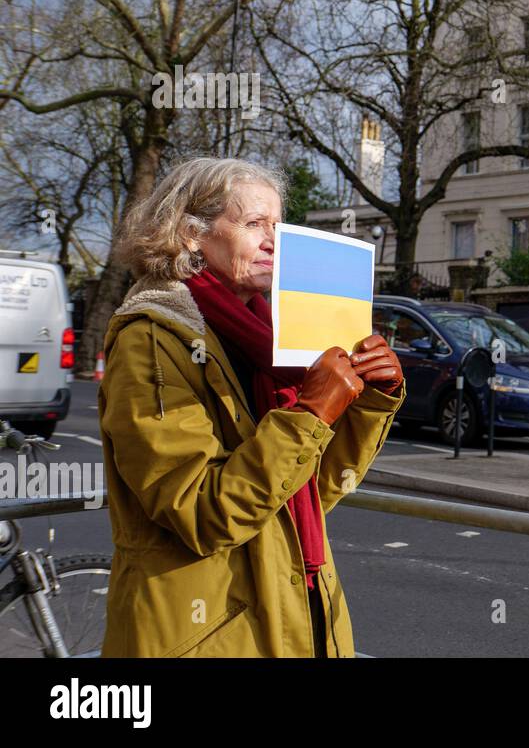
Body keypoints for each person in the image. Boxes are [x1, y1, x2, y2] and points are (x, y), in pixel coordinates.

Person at [97, 157, 406, 657]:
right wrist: (309, 416)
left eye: (278, 226)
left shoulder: (269, 342)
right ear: (191, 233)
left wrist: (370, 401)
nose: (273, 241)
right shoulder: (151, 340)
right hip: (205, 634)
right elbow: (201, 513)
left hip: (297, 612)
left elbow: (312, 490)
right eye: (253, 224)